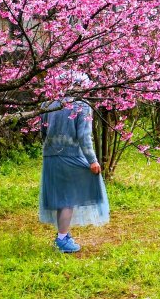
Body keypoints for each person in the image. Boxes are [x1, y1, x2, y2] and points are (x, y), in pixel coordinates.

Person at [39, 95, 109, 253]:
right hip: (70, 155)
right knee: (67, 199)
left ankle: (63, 234)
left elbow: (42, 131)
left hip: (50, 156)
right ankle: (62, 239)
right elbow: (84, 136)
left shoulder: (48, 102)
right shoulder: (81, 104)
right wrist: (92, 160)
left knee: (60, 198)